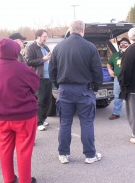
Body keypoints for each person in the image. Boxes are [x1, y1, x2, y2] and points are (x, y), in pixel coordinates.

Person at [49, 20, 103, 164]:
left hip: (64, 90)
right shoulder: (90, 47)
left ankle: (63, 154)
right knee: (86, 123)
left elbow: (52, 70)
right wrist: (96, 88)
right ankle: (90, 155)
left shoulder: (58, 47)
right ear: (83, 30)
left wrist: (58, 85)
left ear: (70, 30)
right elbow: (97, 71)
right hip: (84, 91)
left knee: (65, 123)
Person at [0, 38, 39, 183]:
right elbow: (35, 86)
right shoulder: (23, 68)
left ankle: (9, 179)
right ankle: (25, 180)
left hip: (1, 117)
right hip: (24, 116)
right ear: (15, 51)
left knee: (4, 150)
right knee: (24, 150)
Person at [25, 29, 52, 131]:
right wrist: (43, 59)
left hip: (48, 77)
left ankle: (43, 118)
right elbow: (28, 62)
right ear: (38, 37)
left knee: (47, 100)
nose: (46, 39)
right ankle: (38, 122)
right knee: (39, 101)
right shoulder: (31, 47)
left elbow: (49, 58)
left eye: (46, 37)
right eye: (44, 36)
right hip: (38, 78)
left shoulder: (45, 47)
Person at [107, 37, 131, 120]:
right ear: (119, 45)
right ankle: (116, 113)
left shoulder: (132, 53)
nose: (123, 44)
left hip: (129, 78)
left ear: (129, 45)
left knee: (130, 96)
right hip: (118, 79)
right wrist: (110, 70)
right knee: (117, 96)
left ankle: (133, 113)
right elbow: (109, 64)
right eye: (121, 43)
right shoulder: (116, 55)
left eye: (125, 43)